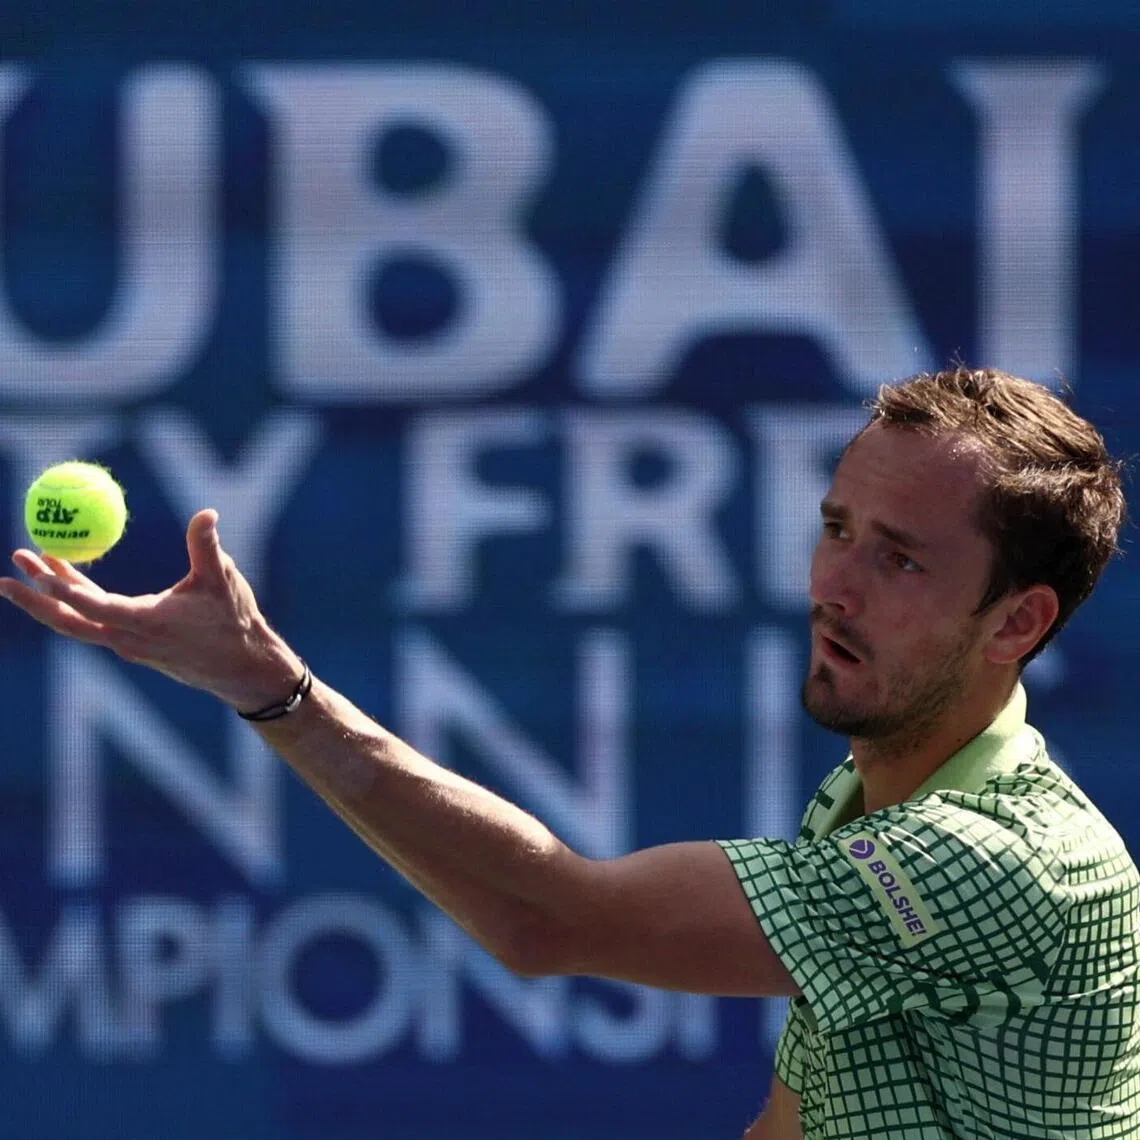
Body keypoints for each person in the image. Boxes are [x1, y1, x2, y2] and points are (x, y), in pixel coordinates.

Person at [1, 366, 1137, 1139]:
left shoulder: (996, 861)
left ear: (1018, 623)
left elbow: (552, 919)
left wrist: (272, 688)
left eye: (899, 561)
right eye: (837, 529)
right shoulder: (874, 795)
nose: (829, 586)